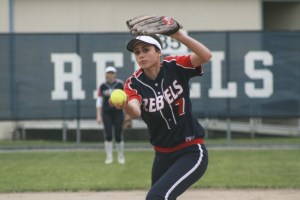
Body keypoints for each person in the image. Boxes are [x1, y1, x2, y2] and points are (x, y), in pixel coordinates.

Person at [111, 28, 212, 199]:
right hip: (162, 155)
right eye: (137, 52)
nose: (140, 55)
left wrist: (179, 35)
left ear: (159, 52)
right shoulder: (134, 83)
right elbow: (135, 111)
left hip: (191, 150)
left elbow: (206, 56)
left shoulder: (174, 66)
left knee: (156, 197)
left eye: (146, 50)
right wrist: (124, 104)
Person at [96, 66, 125, 164]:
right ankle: (109, 157)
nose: (110, 74)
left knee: (118, 135)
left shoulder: (120, 84)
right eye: (108, 73)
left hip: (118, 112)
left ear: (115, 74)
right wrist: (99, 115)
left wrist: (128, 113)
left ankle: (120, 156)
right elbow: (99, 101)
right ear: (106, 74)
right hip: (107, 113)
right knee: (108, 135)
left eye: (112, 73)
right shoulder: (103, 85)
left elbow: (126, 98)